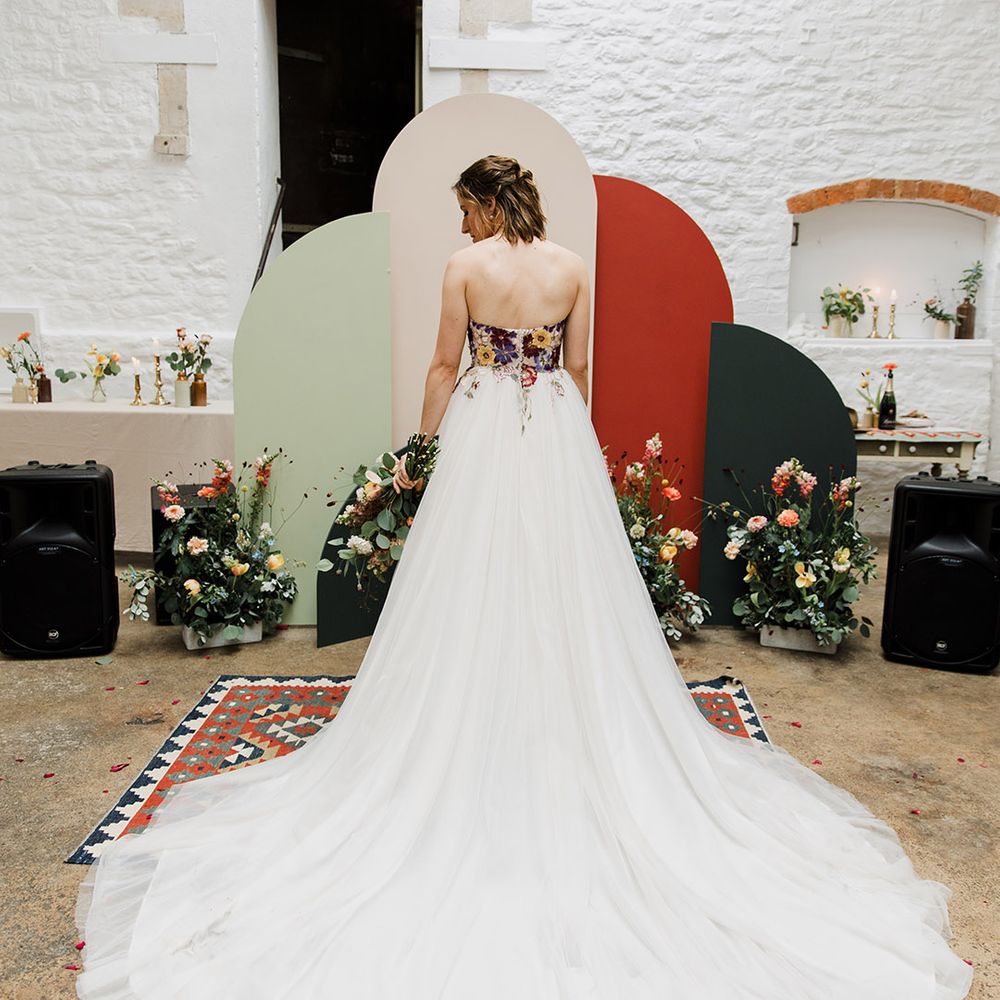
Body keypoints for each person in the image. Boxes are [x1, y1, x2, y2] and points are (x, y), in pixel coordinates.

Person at [74, 155, 974, 999]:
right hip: (552, 428)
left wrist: (420, 450)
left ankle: (469, 711)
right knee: (561, 576)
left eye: (464, 208)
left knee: (465, 573)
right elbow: (577, 370)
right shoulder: (573, 267)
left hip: (479, 423)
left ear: (485, 202)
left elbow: (442, 366)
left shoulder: (465, 268)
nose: (460, 222)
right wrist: (565, 446)